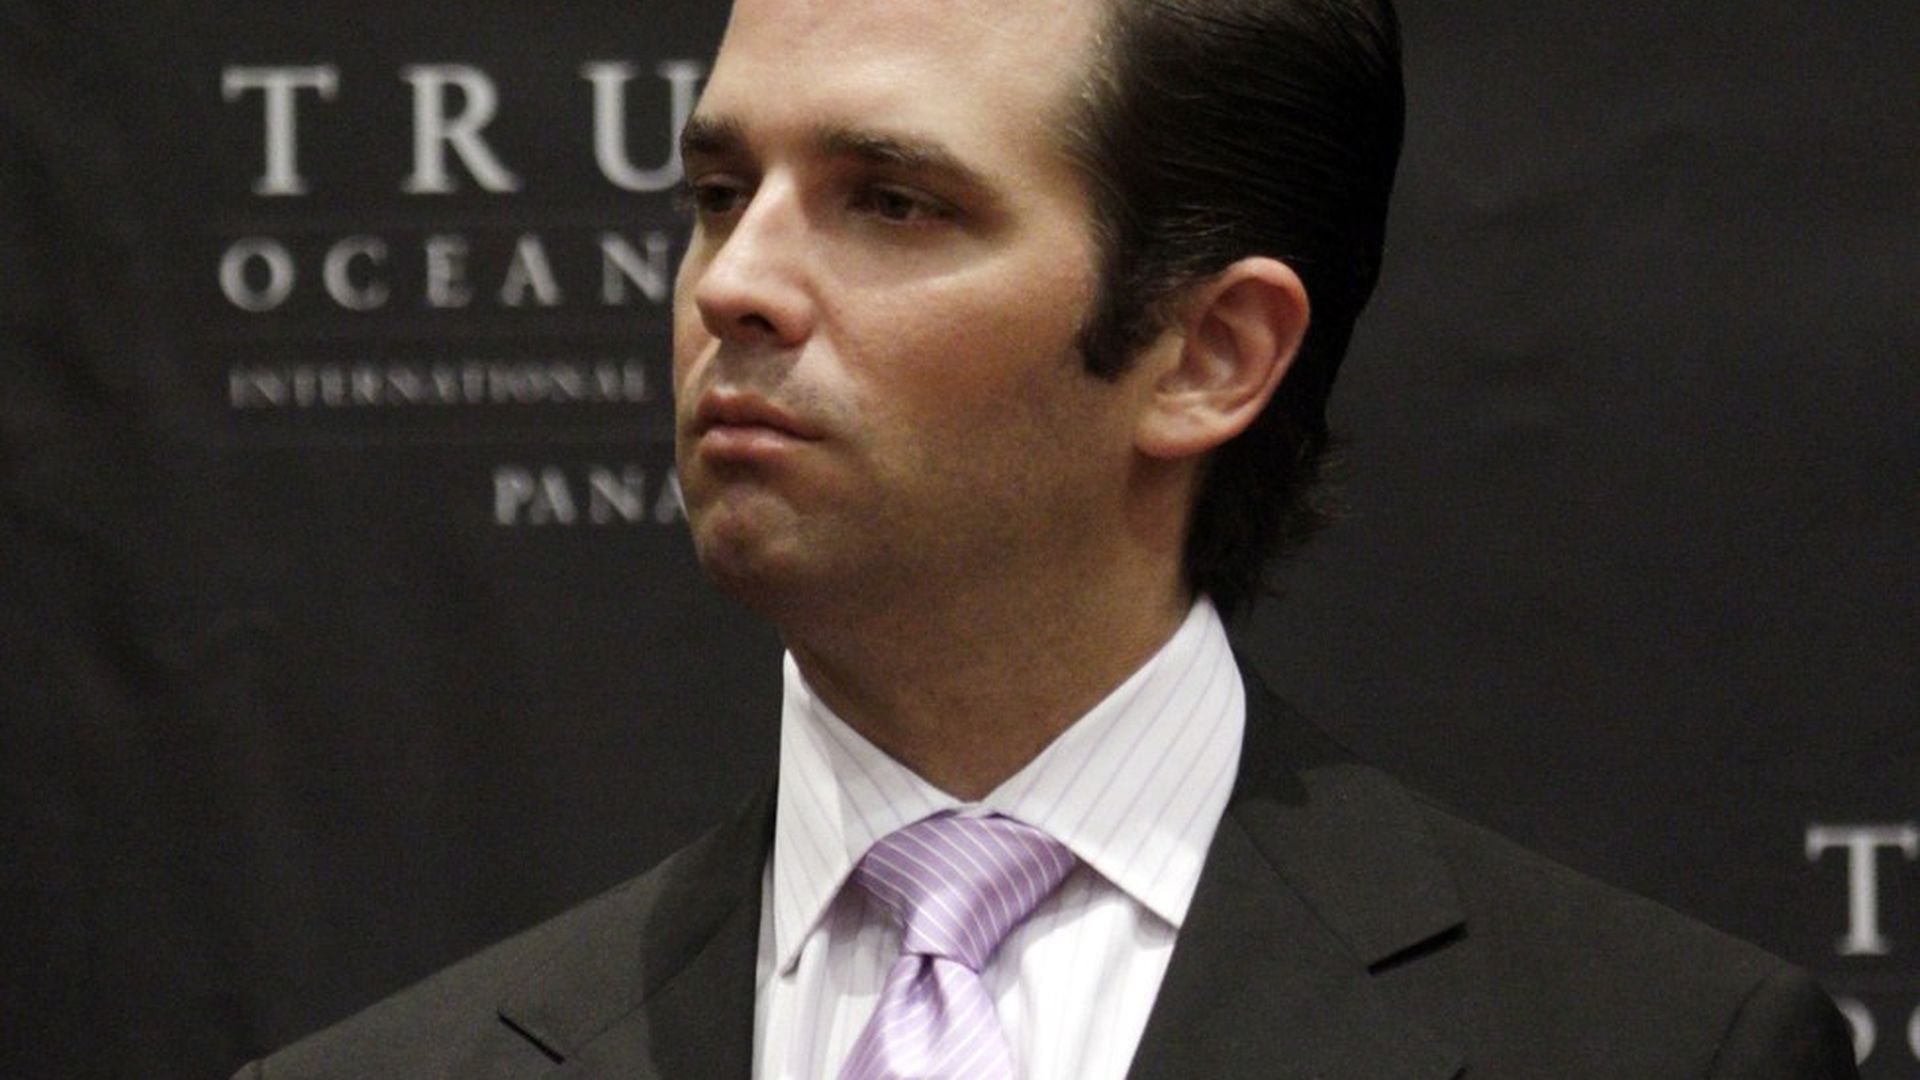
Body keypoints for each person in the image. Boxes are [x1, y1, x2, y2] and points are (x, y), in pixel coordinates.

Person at [234, 0, 1861, 1076]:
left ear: (1207, 354)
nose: (731, 283)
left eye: (891, 201)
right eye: (721, 192)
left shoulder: (1652, 1047)